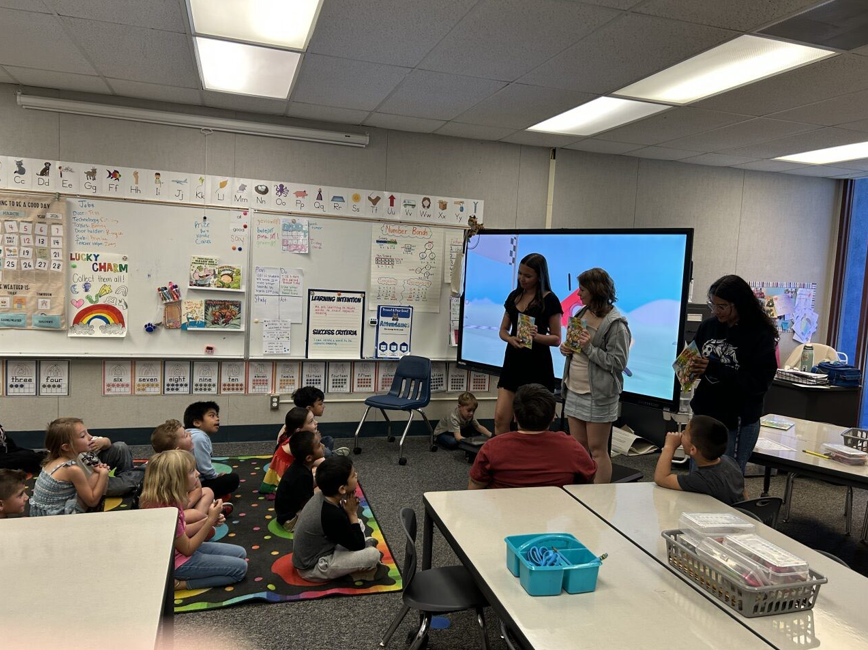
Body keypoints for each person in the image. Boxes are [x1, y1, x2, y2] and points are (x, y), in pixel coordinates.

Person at [690, 275, 779, 474]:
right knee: (698, 475)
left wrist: (713, 368)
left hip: (736, 420)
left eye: (721, 306)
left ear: (738, 304)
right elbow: (694, 357)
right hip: (704, 415)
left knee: (726, 478)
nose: (715, 311)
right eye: (713, 305)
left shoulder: (760, 334)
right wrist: (690, 368)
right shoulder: (708, 326)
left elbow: (758, 383)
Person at [559, 268, 631, 484]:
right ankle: (581, 491)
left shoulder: (616, 324)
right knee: (578, 448)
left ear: (595, 290)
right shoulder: (581, 313)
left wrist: (589, 349)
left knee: (598, 450)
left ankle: (599, 497)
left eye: (582, 290)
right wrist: (566, 349)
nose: (578, 294)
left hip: (598, 394)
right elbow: (576, 347)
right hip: (574, 388)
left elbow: (618, 363)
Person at [140, 450, 248, 591]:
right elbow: (188, 548)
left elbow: (181, 532)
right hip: (176, 563)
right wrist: (209, 521)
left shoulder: (168, 500)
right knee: (240, 569)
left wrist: (208, 520)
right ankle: (179, 584)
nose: (197, 473)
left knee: (241, 553)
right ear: (176, 479)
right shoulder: (166, 510)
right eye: (192, 471)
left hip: (176, 552)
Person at [469, 384, 596, 489]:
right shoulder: (572, 447)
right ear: (553, 417)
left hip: (506, 510)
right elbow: (588, 482)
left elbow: (475, 487)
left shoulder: (492, 447)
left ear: (514, 416)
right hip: (556, 510)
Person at [495, 253, 563, 434]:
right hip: (512, 364)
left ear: (539, 277)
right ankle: (500, 452)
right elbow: (503, 330)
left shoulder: (550, 300)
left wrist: (536, 337)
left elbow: (556, 339)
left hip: (537, 366)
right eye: (520, 273)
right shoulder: (514, 296)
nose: (522, 279)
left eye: (527, 275)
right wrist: (510, 339)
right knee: (500, 419)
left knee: (535, 424)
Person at [292, 456, 382, 582]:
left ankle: (354, 553)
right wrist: (352, 513)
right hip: (313, 568)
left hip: (323, 547)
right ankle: (356, 567)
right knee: (373, 555)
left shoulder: (323, 495)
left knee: (358, 523)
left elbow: (340, 525)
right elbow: (358, 545)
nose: (356, 475)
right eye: (353, 475)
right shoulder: (331, 514)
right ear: (342, 489)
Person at [653, 415, 745, 505]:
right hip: (741, 511)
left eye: (685, 433)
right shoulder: (729, 461)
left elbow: (661, 478)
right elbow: (743, 491)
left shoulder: (703, 479)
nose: (681, 433)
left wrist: (669, 446)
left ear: (693, 449)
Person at [152, 419, 222, 536]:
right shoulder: (167, 471)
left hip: (183, 504)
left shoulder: (187, 461)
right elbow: (168, 507)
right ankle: (203, 523)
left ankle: (204, 520)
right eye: (185, 435)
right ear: (177, 450)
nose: (190, 434)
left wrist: (187, 503)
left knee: (208, 491)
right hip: (169, 513)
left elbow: (198, 488)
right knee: (196, 514)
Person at [29, 418, 109, 516]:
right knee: (98, 475)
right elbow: (92, 502)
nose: (90, 437)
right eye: (83, 436)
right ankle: (95, 517)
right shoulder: (72, 469)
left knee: (96, 474)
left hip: (40, 513)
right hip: (56, 517)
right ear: (66, 447)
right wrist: (104, 474)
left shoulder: (52, 460)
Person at [260, 407, 325, 496]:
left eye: (314, 419)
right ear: (299, 430)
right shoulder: (298, 445)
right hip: (283, 479)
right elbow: (321, 461)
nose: (316, 422)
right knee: (324, 477)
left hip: (296, 471)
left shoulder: (297, 438)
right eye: (311, 421)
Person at [184, 401, 240, 498]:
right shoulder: (199, 438)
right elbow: (203, 467)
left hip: (187, 482)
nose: (217, 419)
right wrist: (216, 476)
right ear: (197, 422)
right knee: (232, 479)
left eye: (217, 415)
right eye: (212, 416)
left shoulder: (192, 434)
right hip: (191, 485)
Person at [274, 429, 324, 532]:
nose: (323, 446)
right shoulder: (301, 475)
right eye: (319, 446)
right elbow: (306, 504)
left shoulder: (301, 466)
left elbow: (308, 486)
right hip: (290, 520)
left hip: (290, 511)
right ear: (309, 458)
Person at [77, 423, 143, 497]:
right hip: (96, 485)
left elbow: (108, 442)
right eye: (83, 436)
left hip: (100, 471)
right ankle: (130, 481)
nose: (90, 437)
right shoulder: (70, 462)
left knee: (121, 447)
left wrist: (102, 442)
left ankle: (127, 480)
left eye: (87, 433)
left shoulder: (88, 441)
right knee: (143, 473)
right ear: (68, 447)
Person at [291, 386, 349, 456]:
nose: (323, 406)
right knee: (327, 453)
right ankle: (333, 454)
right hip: (302, 451)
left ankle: (331, 454)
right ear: (309, 408)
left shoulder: (306, 416)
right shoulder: (300, 422)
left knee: (329, 439)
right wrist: (317, 440)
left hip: (309, 444)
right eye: (320, 404)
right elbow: (303, 447)